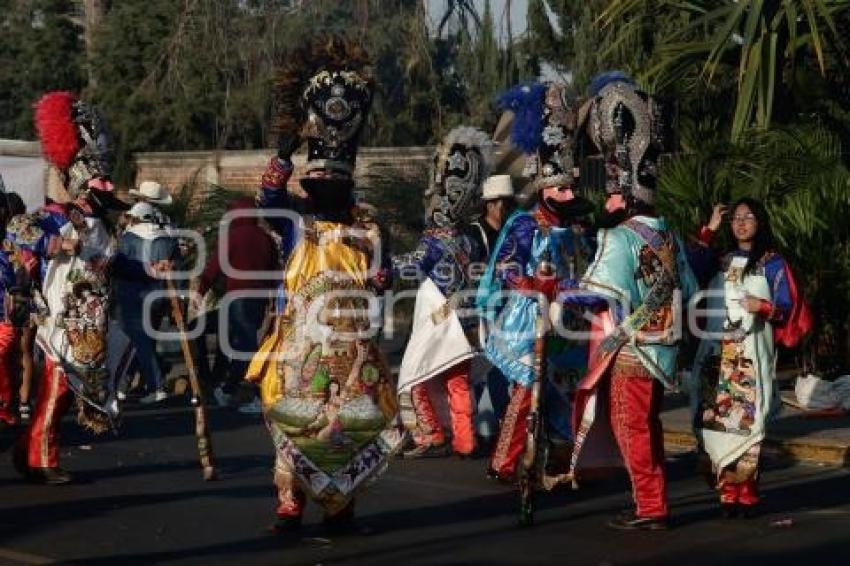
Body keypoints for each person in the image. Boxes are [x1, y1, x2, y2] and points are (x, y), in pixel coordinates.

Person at [244, 35, 403, 534]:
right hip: (297, 346)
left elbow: (383, 276)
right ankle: (289, 503)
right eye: (318, 186)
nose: (325, 192)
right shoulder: (296, 219)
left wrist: (382, 274)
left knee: (347, 425)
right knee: (293, 419)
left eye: (334, 186)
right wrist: (282, 156)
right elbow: (267, 201)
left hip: (350, 351)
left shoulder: (368, 228)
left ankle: (339, 508)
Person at [565, 73, 697, 530]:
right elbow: (690, 289)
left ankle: (652, 508)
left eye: (611, 190)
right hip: (664, 351)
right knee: (649, 427)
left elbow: (596, 292)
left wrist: (558, 289)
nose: (606, 199)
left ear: (622, 194)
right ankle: (653, 500)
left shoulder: (619, 238)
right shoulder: (669, 233)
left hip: (632, 351)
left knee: (631, 429)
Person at [476, 82, 595, 482]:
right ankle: (504, 462)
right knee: (528, 390)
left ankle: (562, 459)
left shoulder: (578, 230)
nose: (568, 193)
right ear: (544, 187)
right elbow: (506, 266)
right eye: (561, 187)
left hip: (568, 324)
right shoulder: (526, 224)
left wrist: (585, 292)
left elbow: (589, 271)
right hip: (528, 320)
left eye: (571, 187)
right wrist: (531, 281)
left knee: (566, 391)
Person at [13, 91, 131, 485]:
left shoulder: (107, 226)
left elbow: (114, 266)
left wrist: (152, 267)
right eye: (101, 178)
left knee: (65, 396)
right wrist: (57, 244)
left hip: (92, 328)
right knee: (56, 391)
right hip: (61, 326)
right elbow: (16, 229)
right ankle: (41, 461)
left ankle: (28, 450)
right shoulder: (59, 215)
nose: (108, 183)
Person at [688, 198, 811, 518]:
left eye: (748, 217)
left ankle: (746, 492)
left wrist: (763, 307)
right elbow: (691, 271)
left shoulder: (772, 263)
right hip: (715, 355)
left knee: (746, 422)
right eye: (736, 218)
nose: (741, 223)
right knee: (715, 423)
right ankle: (727, 492)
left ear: (760, 222)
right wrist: (709, 229)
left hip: (748, 357)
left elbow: (788, 307)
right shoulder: (720, 260)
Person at [394, 126, 491, 459]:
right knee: (457, 381)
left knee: (415, 376)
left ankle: (432, 432)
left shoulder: (434, 240)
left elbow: (412, 266)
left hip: (439, 321)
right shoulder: (470, 239)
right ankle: (465, 440)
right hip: (466, 318)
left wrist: (378, 266)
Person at [195, 197, 278, 414]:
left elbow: (213, 268)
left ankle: (238, 388)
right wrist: (273, 297)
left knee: (243, 344)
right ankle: (230, 386)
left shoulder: (231, 237)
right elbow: (274, 270)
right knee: (244, 341)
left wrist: (200, 292)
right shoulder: (265, 239)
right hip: (259, 297)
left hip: (238, 296)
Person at [464, 174, 515, 444]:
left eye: (508, 203)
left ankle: (499, 420)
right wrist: (494, 269)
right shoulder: (475, 233)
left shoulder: (512, 231)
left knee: (505, 363)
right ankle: (485, 424)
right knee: (485, 364)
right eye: (500, 203)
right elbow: (468, 269)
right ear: (490, 204)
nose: (504, 208)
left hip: (509, 304)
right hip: (482, 307)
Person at [112, 201, 177, 404]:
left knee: (137, 341)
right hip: (158, 295)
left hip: (133, 295)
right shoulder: (167, 238)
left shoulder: (129, 238)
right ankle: (124, 383)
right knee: (142, 340)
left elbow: (119, 266)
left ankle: (156, 385)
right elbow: (176, 268)